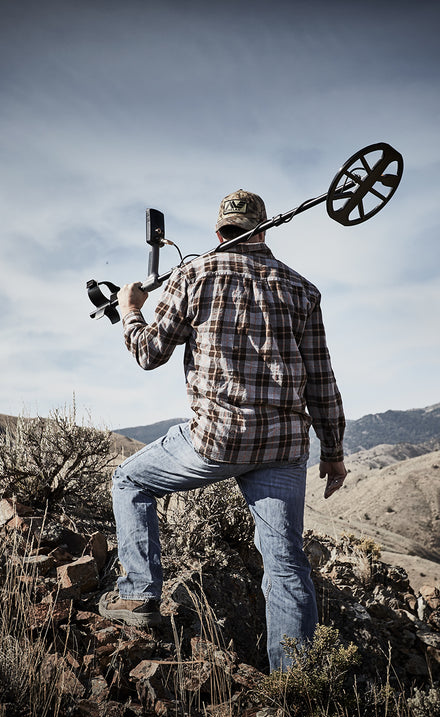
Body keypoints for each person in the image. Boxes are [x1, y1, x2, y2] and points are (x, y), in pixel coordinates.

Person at [98, 189, 348, 672]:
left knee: (129, 481)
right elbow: (321, 378)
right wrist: (333, 451)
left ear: (218, 231)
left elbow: (149, 353)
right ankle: (295, 684)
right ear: (264, 230)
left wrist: (130, 310)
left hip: (217, 440)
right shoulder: (302, 290)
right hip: (282, 446)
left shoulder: (195, 275)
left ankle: (138, 595)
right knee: (285, 563)